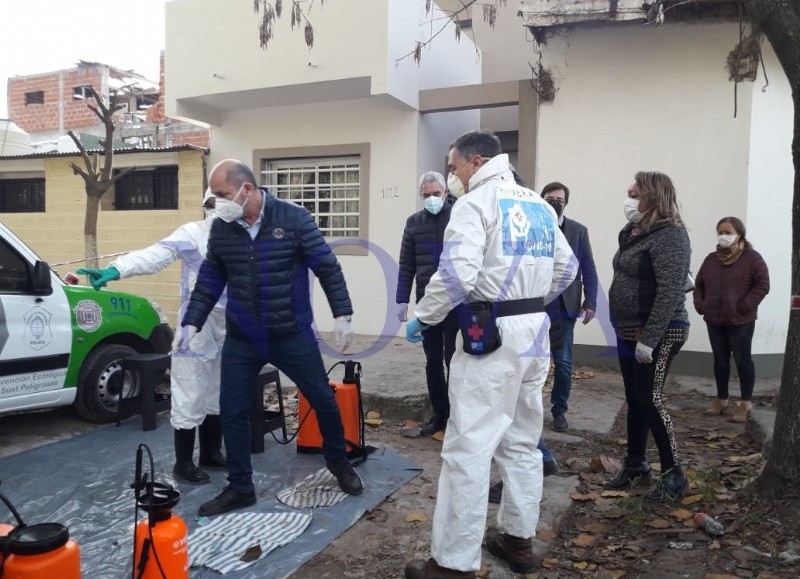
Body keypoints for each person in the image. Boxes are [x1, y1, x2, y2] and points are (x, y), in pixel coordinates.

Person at [404, 131, 577, 578]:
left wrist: (424, 316)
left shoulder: (475, 205)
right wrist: (531, 300)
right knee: (522, 439)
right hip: (535, 329)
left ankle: (453, 564)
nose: (452, 176)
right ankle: (518, 540)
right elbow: (567, 268)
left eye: (454, 166)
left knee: (469, 446)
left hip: (492, 332)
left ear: (476, 161)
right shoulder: (538, 205)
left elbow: (457, 274)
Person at [176, 159, 363, 517]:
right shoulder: (223, 229)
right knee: (232, 410)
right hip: (243, 337)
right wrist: (191, 323)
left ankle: (339, 463)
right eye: (214, 196)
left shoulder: (293, 219)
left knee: (322, 399)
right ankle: (240, 487)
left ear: (247, 189)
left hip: (290, 332)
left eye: (222, 194)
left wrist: (343, 313)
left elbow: (326, 266)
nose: (217, 203)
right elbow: (211, 279)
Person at [77, 189, 227, 484]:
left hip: (230, 322)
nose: (218, 209)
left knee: (217, 390)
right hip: (196, 323)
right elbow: (156, 255)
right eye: (212, 203)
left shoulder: (248, 236)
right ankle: (183, 464)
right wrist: (116, 269)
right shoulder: (193, 233)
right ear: (206, 205)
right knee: (189, 390)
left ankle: (211, 453)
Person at [604, 171, 691, 503]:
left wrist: (650, 339)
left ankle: (675, 475)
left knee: (651, 398)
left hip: (660, 331)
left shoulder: (671, 235)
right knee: (635, 398)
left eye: (633, 193)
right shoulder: (631, 231)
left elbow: (669, 291)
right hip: (628, 330)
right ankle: (637, 464)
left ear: (652, 197)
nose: (627, 198)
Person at [396, 171, 459, 436]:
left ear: (445, 192)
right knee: (432, 360)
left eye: (436, 194)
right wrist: (402, 300)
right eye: (426, 195)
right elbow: (406, 264)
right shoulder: (413, 223)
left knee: (454, 359)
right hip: (427, 301)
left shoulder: (459, 217)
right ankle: (439, 413)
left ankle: (459, 414)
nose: (432, 199)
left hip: (457, 300)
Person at [693, 216, 769, 423]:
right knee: (720, 361)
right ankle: (721, 399)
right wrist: (701, 305)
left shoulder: (752, 258)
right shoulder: (711, 259)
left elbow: (762, 284)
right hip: (714, 319)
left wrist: (744, 306)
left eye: (728, 233)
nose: (724, 236)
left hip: (740, 321)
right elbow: (698, 284)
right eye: (721, 232)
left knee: (743, 360)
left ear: (739, 234)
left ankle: (745, 404)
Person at [540, 181, 598, 433]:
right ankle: (527, 410)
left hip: (565, 306)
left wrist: (591, 301)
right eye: (550, 198)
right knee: (533, 361)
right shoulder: (532, 227)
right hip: (535, 305)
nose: (555, 203)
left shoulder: (578, 231)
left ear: (566, 203)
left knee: (563, 362)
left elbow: (588, 268)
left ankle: (559, 410)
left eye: (559, 200)